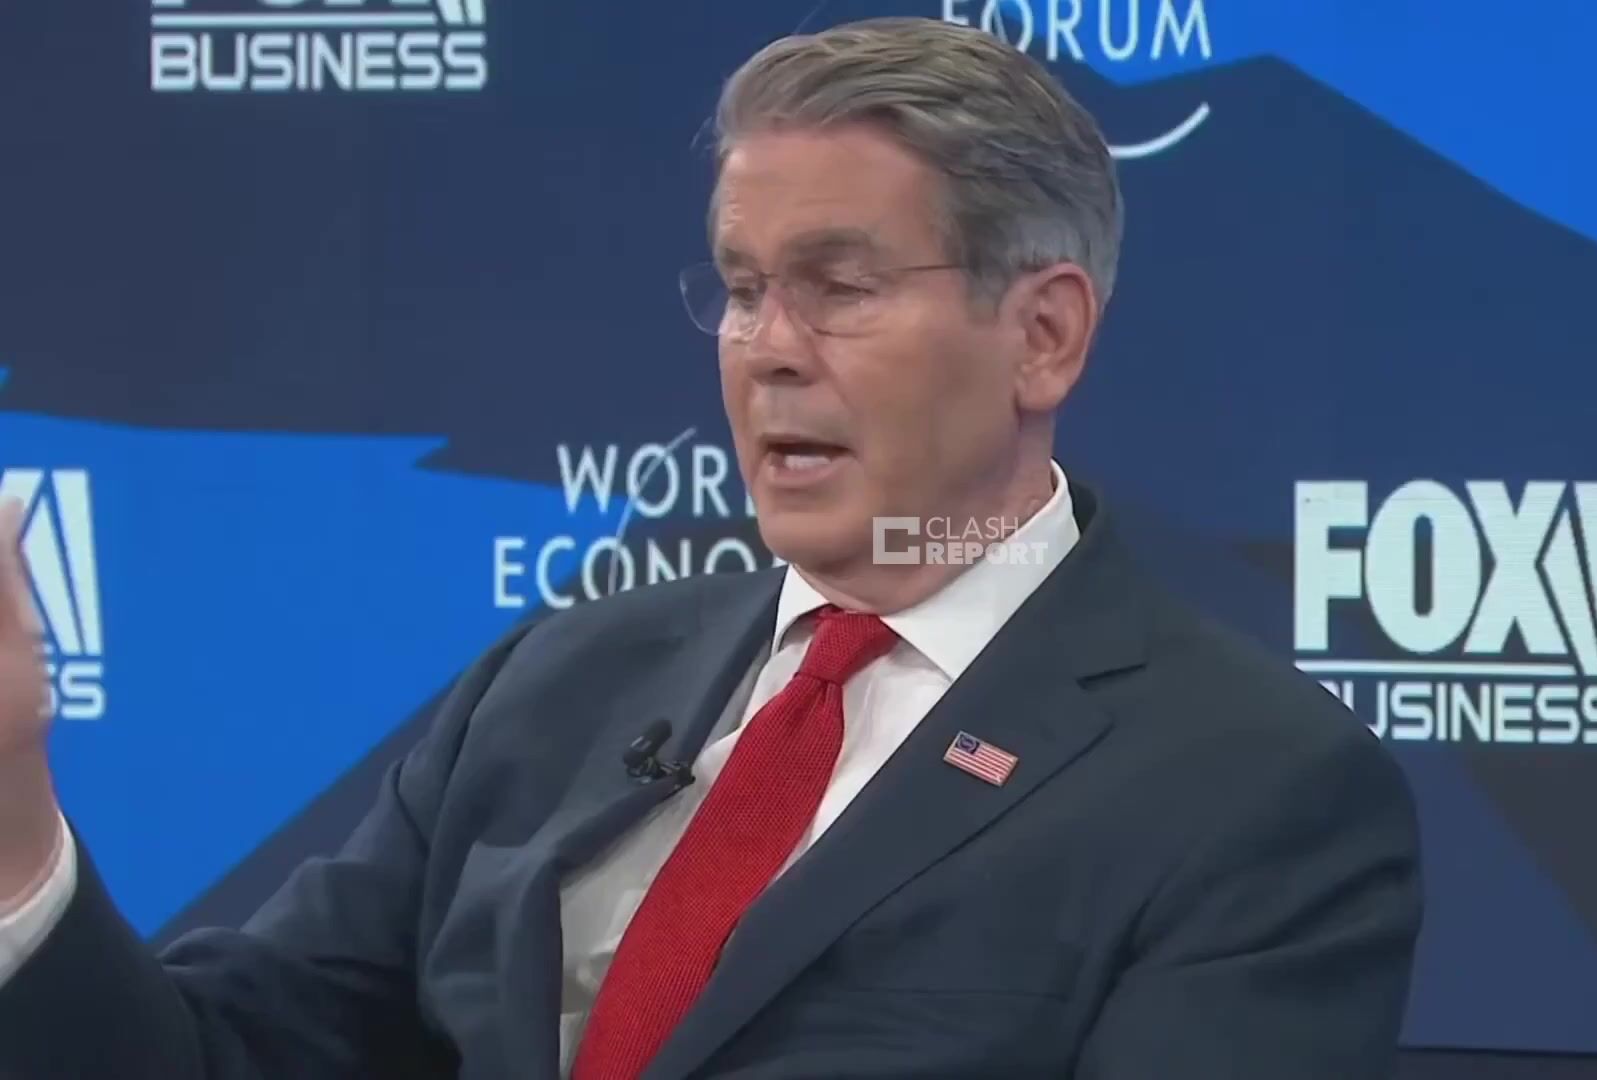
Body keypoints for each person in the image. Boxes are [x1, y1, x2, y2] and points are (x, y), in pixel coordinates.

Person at [0, 16, 1421, 1080]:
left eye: (840, 287)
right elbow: (215, 1058)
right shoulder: (556, 683)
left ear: (1042, 334)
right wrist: (10, 818)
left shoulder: (1252, 791)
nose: (767, 351)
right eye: (744, 290)